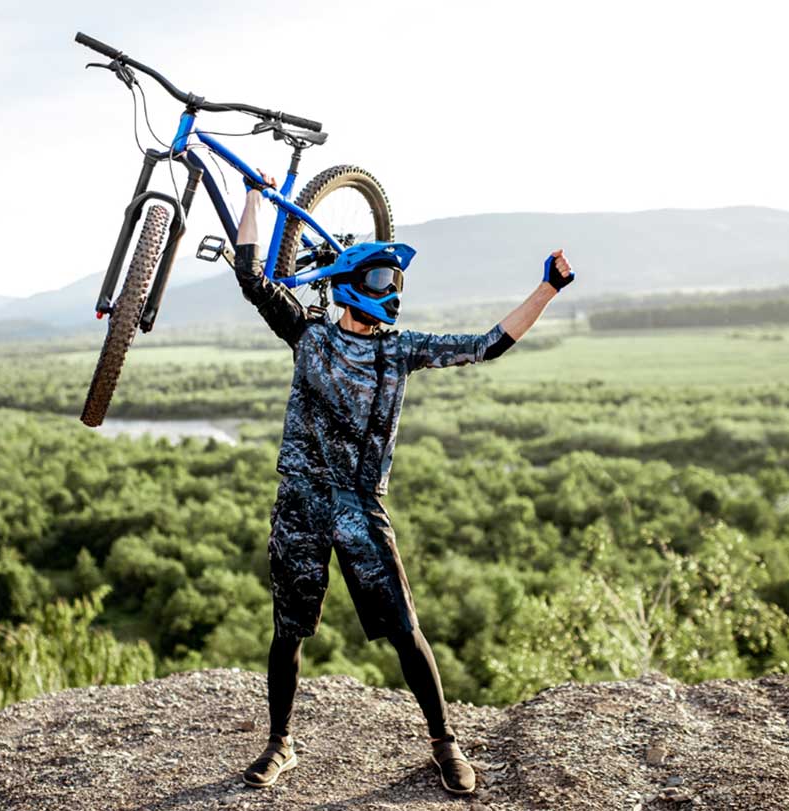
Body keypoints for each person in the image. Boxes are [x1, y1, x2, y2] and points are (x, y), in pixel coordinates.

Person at [232, 176, 575, 795]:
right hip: (300, 501)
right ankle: (280, 743)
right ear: (353, 286)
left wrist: (548, 288)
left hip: (359, 508)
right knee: (288, 630)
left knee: (403, 628)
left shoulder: (401, 349)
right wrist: (255, 199)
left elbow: (485, 346)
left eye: (391, 283)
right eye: (381, 282)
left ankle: (445, 744)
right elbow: (253, 277)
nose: (387, 293)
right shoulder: (309, 335)